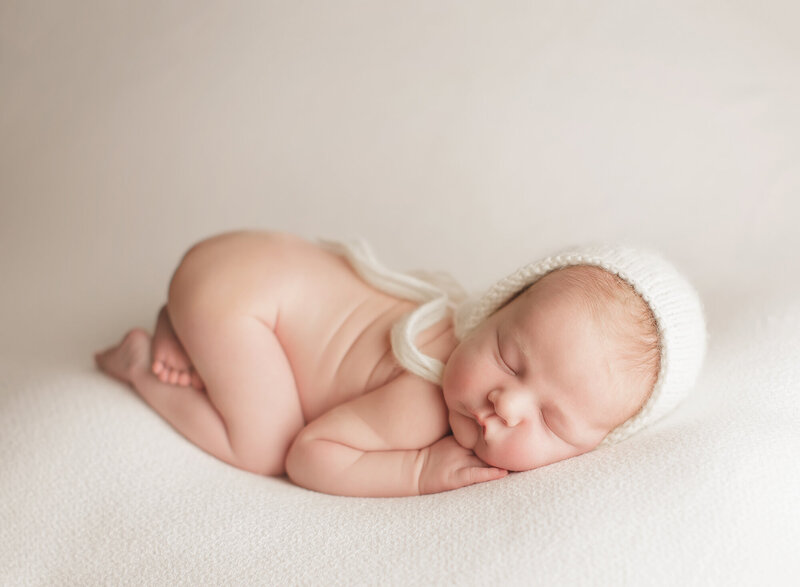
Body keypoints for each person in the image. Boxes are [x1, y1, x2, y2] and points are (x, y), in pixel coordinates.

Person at [94, 230, 706, 497]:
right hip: (234, 300)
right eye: (507, 357)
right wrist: (416, 473)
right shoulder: (422, 394)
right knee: (262, 446)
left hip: (242, 260)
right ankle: (145, 365)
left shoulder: (472, 351)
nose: (508, 403)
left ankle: (183, 322)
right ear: (490, 311)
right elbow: (310, 456)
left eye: (553, 421)